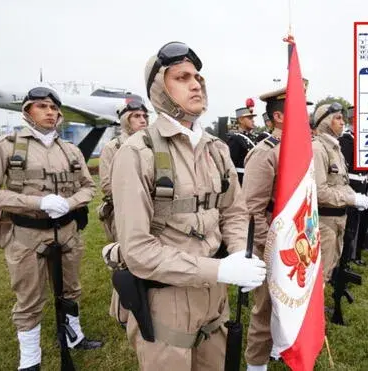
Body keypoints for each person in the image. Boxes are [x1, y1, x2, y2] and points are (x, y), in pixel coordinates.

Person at [110, 41, 266, 370]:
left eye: (197, 77)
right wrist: (221, 269)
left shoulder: (217, 149)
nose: (195, 84)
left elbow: (234, 211)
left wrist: (239, 250)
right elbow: (137, 249)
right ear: (159, 88)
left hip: (214, 294)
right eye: (181, 77)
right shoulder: (138, 153)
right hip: (165, 297)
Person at [0, 87, 102, 371]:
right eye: (41, 106)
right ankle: (30, 358)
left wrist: (70, 202)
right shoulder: (5, 145)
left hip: (67, 231)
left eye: (54, 108)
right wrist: (37, 201)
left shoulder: (71, 150)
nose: (50, 112)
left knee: (71, 289)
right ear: (27, 112)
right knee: (28, 297)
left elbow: (89, 187)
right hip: (25, 235)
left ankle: (74, 338)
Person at [242, 82, 312, 371]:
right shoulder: (265, 153)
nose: (305, 116)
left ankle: (279, 348)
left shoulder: (300, 148)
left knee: (291, 304)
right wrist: (268, 249)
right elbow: (251, 210)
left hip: (298, 241)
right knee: (265, 309)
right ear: (280, 117)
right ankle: (256, 365)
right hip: (273, 244)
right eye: (299, 110)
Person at [98, 100, 149, 326]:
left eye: (144, 116)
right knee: (125, 260)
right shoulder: (113, 147)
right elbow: (107, 185)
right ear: (125, 120)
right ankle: (122, 310)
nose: (142, 120)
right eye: (136, 116)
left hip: (151, 212)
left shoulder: (151, 144)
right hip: (123, 212)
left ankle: (146, 302)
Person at [311, 102, 368, 282]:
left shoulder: (334, 148)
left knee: (328, 269)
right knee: (319, 274)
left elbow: (341, 182)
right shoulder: (318, 149)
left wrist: (354, 196)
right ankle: (315, 309)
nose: (343, 122)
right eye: (337, 118)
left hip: (337, 220)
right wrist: (351, 199)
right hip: (325, 220)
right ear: (325, 122)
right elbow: (319, 191)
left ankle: (319, 307)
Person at [338, 106, 368, 265]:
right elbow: (342, 168)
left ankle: (352, 256)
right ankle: (341, 263)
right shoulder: (346, 139)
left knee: (356, 225)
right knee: (347, 228)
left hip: (363, 188)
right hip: (351, 188)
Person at [227, 105, 257, 185]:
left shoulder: (253, 138)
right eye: (250, 118)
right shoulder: (235, 139)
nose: (253, 121)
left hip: (253, 180)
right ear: (240, 120)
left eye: (253, 118)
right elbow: (231, 164)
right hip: (241, 181)